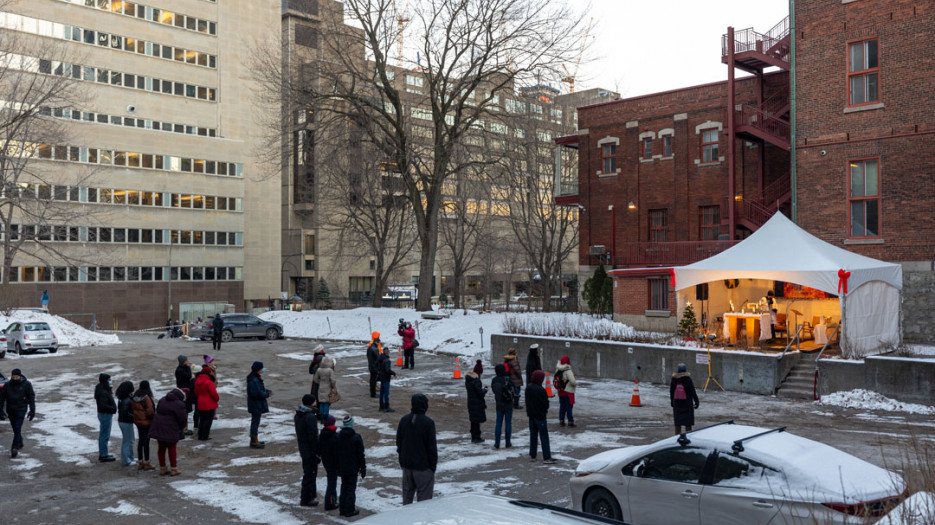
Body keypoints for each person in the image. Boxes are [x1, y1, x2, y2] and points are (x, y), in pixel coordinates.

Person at [396, 393, 437, 504]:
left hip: (407, 466)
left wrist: (402, 460)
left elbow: (399, 442)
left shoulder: (404, 420)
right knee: (424, 502)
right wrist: (432, 467)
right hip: (423, 467)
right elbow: (431, 447)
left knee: (407, 499)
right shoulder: (428, 423)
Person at [149, 388, 187, 476]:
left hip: (159, 426)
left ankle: (163, 468)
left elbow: (158, 410)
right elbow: (182, 419)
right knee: (172, 448)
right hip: (171, 427)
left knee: (161, 448)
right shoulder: (179, 404)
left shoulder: (162, 400)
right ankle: (173, 469)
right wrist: (180, 427)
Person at [0, 368, 36, 458]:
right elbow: (1, 398)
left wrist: (32, 411)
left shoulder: (26, 384)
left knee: (17, 427)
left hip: (21, 409)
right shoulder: (7, 385)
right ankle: (19, 442)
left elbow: (31, 397)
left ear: (20, 376)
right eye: (13, 376)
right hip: (11, 409)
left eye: (16, 376)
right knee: (15, 429)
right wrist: (0, 410)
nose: (15, 378)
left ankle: (14, 448)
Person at [336, 415, 366, 517]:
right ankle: (349, 510)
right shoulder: (356, 437)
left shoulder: (338, 436)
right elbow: (360, 454)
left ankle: (342, 509)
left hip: (342, 467)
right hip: (353, 468)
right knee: (351, 489)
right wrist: (363, 468)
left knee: (344, 487)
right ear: (351, 424)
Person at [294, 394, 320, 507]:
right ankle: (306, 498)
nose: (316, 403)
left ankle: (311, 494)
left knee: (309, 472)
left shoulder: (299, 414)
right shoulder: (309, 416)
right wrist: (317, 451)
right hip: (310, 450)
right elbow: (313, 436)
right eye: (315, 401)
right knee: (310, 474)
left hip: (303, 448)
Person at [526, 370, 554, 464]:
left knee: (533, 435)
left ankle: (533, 455)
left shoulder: (528, 388)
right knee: (544, 436)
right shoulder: (541, 390)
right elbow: (545, 404)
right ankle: (546, 457)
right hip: (540, 416)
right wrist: (545, 410)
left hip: (531, 415)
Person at [131, 381, 156, 470]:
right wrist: (153, 418)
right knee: (146, 442)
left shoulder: (135, 397)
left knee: (141, 440)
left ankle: (140, 462)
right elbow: (150, 411)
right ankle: (147, 462)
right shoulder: (146, 398)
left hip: (138, 422)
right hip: (146, 422)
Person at [247, 361, 272, 448]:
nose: (263, 370)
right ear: (258, 369)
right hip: (256, 404)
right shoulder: (254, 380)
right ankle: (254, 442)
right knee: (255, 422)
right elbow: (256, 394)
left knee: (255, 422)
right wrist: (266, 394)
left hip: (255, 404)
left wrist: (265, 391)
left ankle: (255, 440)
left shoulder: (254, 378)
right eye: (262, 368)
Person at [670, 363, 700, 435]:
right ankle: (688, 437)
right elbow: (692, 391)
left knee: (678, 423)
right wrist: (696, 401)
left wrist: (672, 401)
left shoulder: (674, 379)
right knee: (688, 423)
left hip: (677, 403)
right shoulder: (688, 379)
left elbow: (671, 391)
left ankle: (677, 437)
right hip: (687, 403)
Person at [318, 415, 340, 511]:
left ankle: (333, 500)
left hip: (326, 460)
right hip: (333, 461)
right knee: (332, 483)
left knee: (332, 480)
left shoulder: (322, 434)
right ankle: (330, 503)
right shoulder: (334, 435)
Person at [94, 373, 117, 462]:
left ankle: (103, 453)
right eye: (109, 380)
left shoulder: (100, 388)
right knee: (104, 435)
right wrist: (113, 409)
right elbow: (103, 406)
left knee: (104, 434)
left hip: (103, 414)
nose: (110, 382)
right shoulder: (103, 391)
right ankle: (103, 455)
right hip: (105, 414)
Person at [490, 364, 513, 449]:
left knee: (498, 423)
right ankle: (508, 442)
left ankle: (497, 442)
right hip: (508, 403)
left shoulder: (494, 380)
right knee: (508, 423)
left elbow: (494, 391)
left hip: (499, 403)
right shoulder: (507, 379)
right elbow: (512, 390)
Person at [194, 360, 219, 441]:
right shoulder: (209, 382)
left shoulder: (197, 381)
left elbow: (196, 392)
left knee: (202, 420)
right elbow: (214, 394)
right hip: (209, 404)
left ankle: (200, 435)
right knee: (208, 421)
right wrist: (217, 398)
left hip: (200, 403)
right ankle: (205, 436)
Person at [115, 381, 136, 466]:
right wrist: (134, 417)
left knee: (129, 440)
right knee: (127, 441)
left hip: (123, 421)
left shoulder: (122, 398)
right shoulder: (127, 400)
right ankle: (126, 460)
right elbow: (126, 412)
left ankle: (130, 457)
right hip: (126, 422)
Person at [464, 366, 487, 443]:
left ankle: (473, 437)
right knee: (477, 421)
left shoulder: (468, 381)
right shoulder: (476, 381)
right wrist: (485, 390)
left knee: (473, 421)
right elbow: (480, 394)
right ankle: (477, 437)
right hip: (477, 404)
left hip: (471, 403)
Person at [174, 355, 195, 436]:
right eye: (186, 360)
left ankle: (184, 428)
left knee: (186, 410)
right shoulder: (180, 370)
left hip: (185, 391)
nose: (188, 361)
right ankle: (183, 429)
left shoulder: (182, 368)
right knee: (184, 410)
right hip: (183, 392)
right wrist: (189, 367)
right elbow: (189, 375)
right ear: (183, 362)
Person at [555, 356, 578, 428]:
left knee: (562, 406)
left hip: (561, 391)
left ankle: (561, 420)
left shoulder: (558, 370)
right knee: (569, 407)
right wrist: (576, 383)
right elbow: (573, 382)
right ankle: (570, 421)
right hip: (568, 391)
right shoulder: (568, 370)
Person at [377, 347, 397, 412]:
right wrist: (393, 373)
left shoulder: (380, 358)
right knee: (386, 393)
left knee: (381, 393)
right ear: (387, 353)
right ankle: (387, 407)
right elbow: (387, 370)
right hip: (386, 378)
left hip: (381, 377)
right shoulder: (387, 360)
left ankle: (381, 406)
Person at [366, 332, 382, 398]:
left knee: (372, 380)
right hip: (374, 367)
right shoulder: (375, 348)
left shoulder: (370, 347)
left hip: (371, 366)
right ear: (377, 342)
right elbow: (378, 358)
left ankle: (373, 393)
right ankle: (373, 394)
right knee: (373, 380)